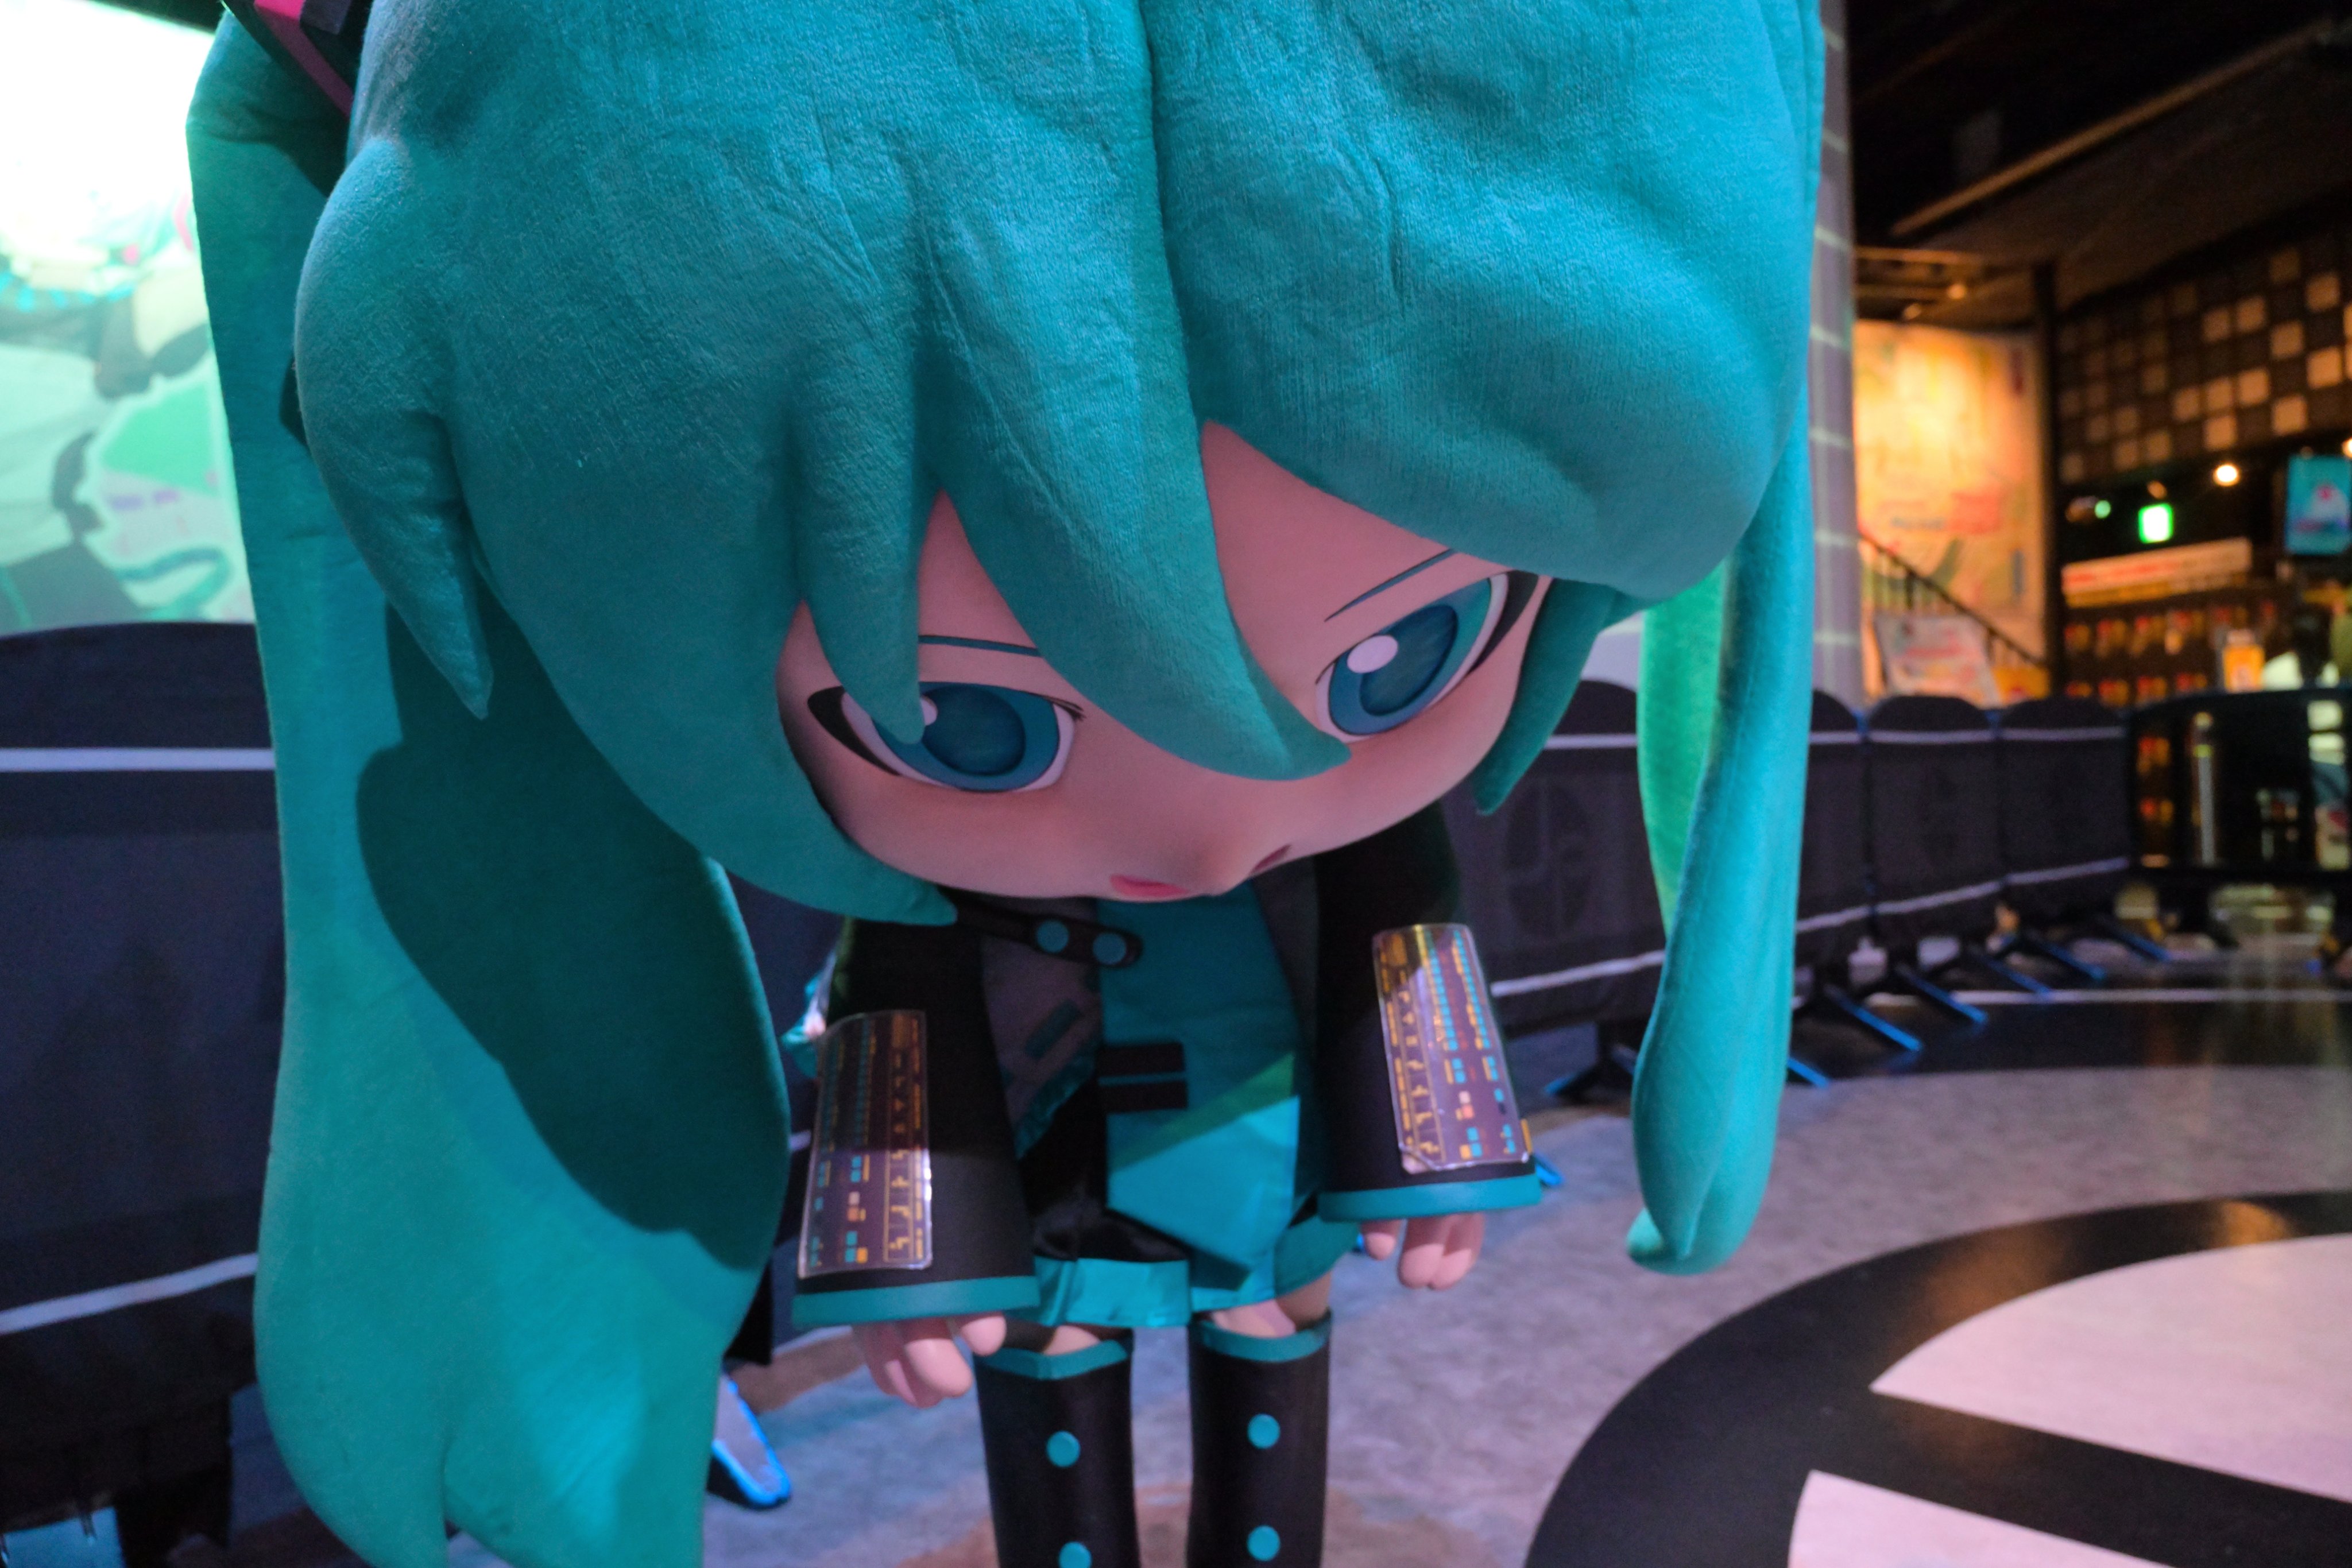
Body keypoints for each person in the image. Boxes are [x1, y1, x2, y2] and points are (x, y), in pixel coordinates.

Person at [184, 1, 1824, 1564]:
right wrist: (910, 1254)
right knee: (1056, 1394)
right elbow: (900, 1016)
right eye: (970, 724)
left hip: (1267, 1156)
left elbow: (1396, 932)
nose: (1214, 822)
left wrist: (1428, 1156)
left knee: (1271, 1357)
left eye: (1402, 656)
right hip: (1051, 1187)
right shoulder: (921, 906)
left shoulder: (1352, 852)